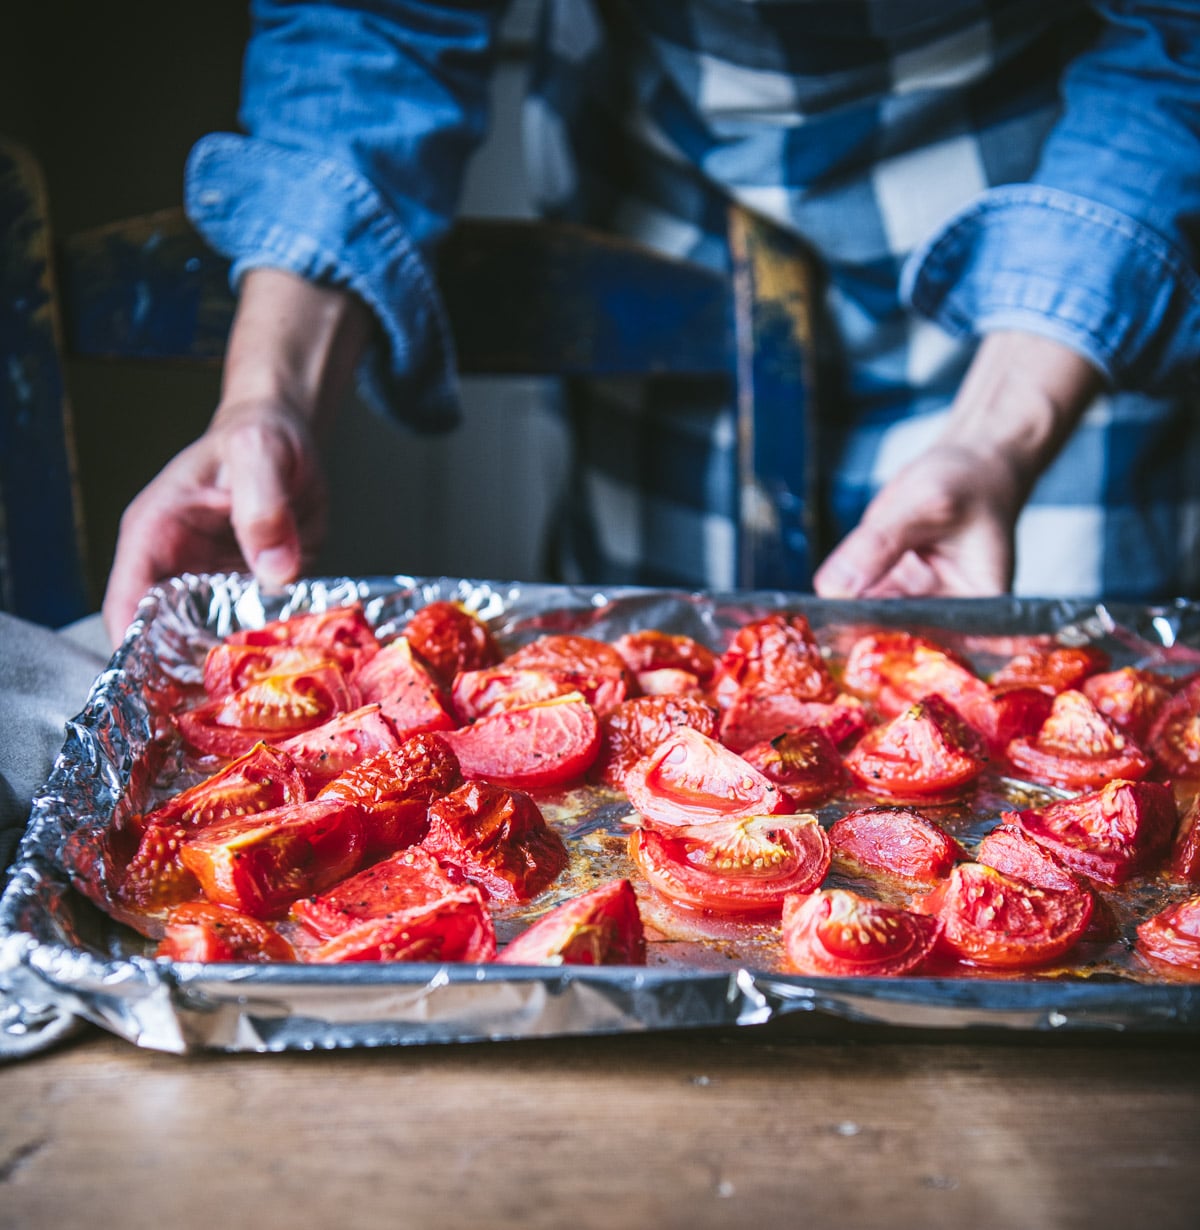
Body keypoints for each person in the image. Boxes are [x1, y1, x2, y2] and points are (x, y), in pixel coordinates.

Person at [101, 0, 1200, 648]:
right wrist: (267, 398)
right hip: (669, 172)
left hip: (1071, 208)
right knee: (654, 687)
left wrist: (1002, 429)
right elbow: (371, 24)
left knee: (1060, 733)